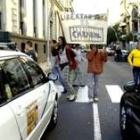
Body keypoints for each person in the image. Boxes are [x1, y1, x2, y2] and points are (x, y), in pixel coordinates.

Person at [58, 36, 77, 101]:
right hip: (63, 65)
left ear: (63, 41)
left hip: (68, 65)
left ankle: (73, 94)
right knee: (68, 81)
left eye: (60, 40)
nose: (58, 41)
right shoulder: (60, 48)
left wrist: (69, 49)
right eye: (58, 40)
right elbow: (60, 57)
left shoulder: (66, 48)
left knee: (66, 81)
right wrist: (60, 66)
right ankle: (71, 94)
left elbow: (74, 55)